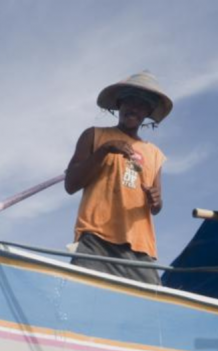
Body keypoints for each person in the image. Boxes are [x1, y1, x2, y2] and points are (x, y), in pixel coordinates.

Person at [65, 71, 172, 286]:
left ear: (147, 113)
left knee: (152, 307)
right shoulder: (94, 136)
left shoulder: (154, 154)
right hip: (96, 239)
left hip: (140, 248)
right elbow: (71, 184)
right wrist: (104, 150)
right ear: (119, 104)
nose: (133, 108)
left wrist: (157, 200)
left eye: (141, 105)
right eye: (129, 101)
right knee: (81, 296)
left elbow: (156, 207)